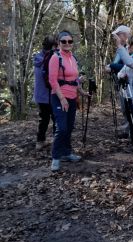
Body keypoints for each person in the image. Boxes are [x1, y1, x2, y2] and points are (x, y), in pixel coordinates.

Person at [49, 30, 89, 171]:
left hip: (72, 97)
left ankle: (67, 152)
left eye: (70, 41)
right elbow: (53, 80)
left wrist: (82, 91)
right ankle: (55, 157)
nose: (67, 44)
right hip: (59, 97)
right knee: (62, 128)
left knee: (69, 127)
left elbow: (73, 80)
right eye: (64, 41)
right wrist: (62, 99)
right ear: (59, 43)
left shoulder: (73, 58)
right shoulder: (55, 57)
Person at [105, 25, 132, 138]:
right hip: (121, 83)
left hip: (129, 84)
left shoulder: (129, 49)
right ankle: (128, 130)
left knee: (129, 107)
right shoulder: (121, 48)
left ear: (124, 35)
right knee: (124, 108)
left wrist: (111, 66)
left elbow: (127, 65)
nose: (115, 37)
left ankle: (132, 132)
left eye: (118, 35)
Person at [33, 36, 57, 150]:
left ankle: (40, 141)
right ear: (53, 46)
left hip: (42, 95)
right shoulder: (52, 57)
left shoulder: (38, 57)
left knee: (44, 119)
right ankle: (56, 141)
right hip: (50, 94)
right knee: (55, 118)